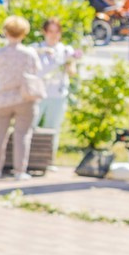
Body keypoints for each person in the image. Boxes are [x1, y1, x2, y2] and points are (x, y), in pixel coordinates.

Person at [0, 15, 44, 180]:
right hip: (23, 98)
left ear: (6, 32)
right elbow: (36, 71)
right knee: (22, 135)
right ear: (24, 33)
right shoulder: (29, 53)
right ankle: (19, 171)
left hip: (0, 99)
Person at [33, 17, 76, 161]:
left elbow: (72, 72)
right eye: (51, 31)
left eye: (57, 31)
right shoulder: (35, 48)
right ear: (44, 32)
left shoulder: (65, 50)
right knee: (31, 127)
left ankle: (48, 160)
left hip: (57, 94)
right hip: (38, 94)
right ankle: (30, 159)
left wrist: (69, 62)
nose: (54, 35)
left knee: (53, 129)